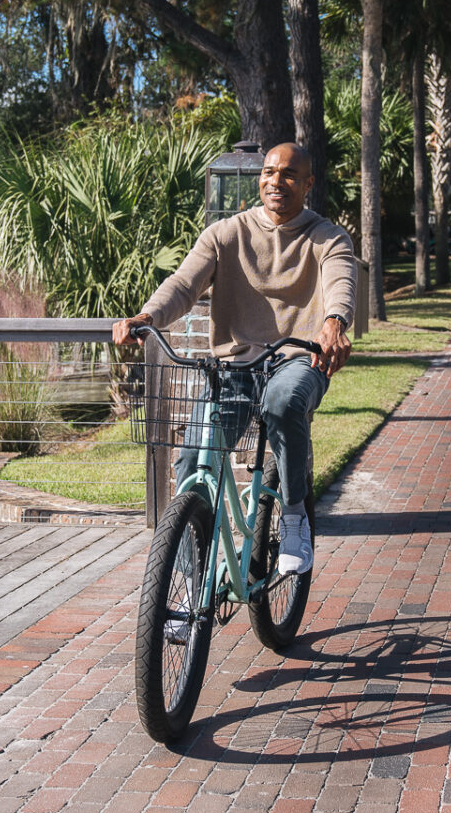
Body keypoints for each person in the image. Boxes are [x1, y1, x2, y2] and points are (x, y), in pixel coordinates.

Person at [113, 142, 356, 575]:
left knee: (283, 403)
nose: (275, 181)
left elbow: (340, 283)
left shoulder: (328, 237)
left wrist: (335, 321)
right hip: (234, 366)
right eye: (268, 172)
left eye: (288, 174)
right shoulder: (225, 234)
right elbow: (184, 284)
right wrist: (148, 315)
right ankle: (187, 574)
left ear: (307, 184)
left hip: (299, 360)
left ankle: (296, 515)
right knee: (193, 456)